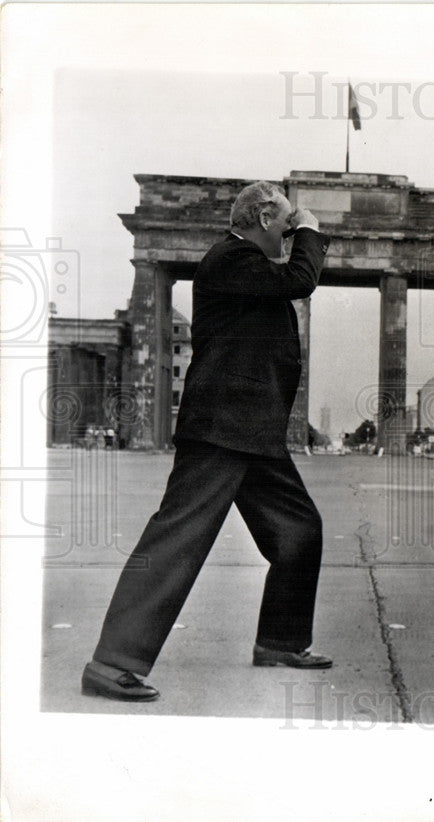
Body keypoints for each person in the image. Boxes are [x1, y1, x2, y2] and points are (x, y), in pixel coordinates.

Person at [82, 181, 333, 702]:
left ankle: (281, 642)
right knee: (177, 540)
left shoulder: (251, 267)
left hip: (252, 432)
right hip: (222, 430)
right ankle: (111, 663)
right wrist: (310, 231)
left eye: (294, 228)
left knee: (299, 532)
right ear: (265, 216)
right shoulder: (230, 259)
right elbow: (301, 281)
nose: (290, 233)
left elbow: (285, 284)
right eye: (285, 224)